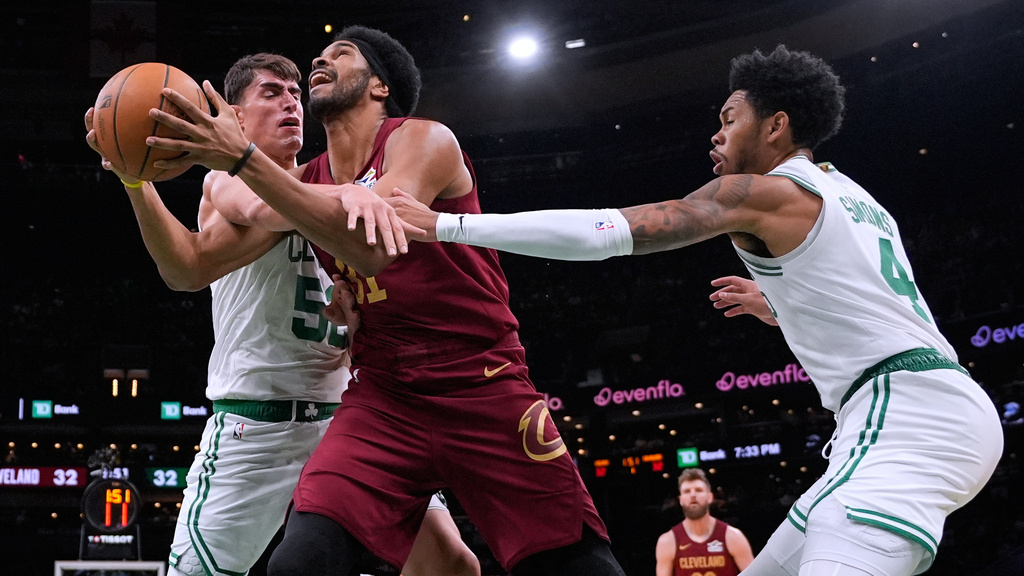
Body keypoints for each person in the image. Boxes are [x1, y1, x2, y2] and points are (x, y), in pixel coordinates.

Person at [384, 45, 1004, 576]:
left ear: (776, 125)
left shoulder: (765, 193)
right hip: (926, 402)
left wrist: (446, 223)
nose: (716, 133)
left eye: (729, 119)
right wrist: (783, 305)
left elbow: (608, 231)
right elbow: (878, 303)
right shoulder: (855, 196)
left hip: (905, 417)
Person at [143, 26, 625, 576]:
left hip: (479, 382)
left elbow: (370, 248)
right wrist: (148, 181)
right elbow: (206, 251)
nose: (317, 64)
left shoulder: (423, 139)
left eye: (339, 56)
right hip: (381, 395)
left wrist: (249, 160)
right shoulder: (301, 180)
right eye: (315, 56)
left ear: (378, 86)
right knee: (302, 562)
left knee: (573, 566)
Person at [84, 53, 478, 576]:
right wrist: (136, 182)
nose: (290, 101)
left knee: (451, 565)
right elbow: (229, 236)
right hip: (256, 427)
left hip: (348, 418)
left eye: (294, 93)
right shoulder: (228, 181)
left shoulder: (323, 180)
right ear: (235, 117)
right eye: (271, 93)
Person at [655, 469, 753, 576]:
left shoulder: (733, 537)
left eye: (698, 490)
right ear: (681, 500)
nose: (693, 495)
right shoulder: (667, 541)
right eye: (687, 491)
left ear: (710, 497)